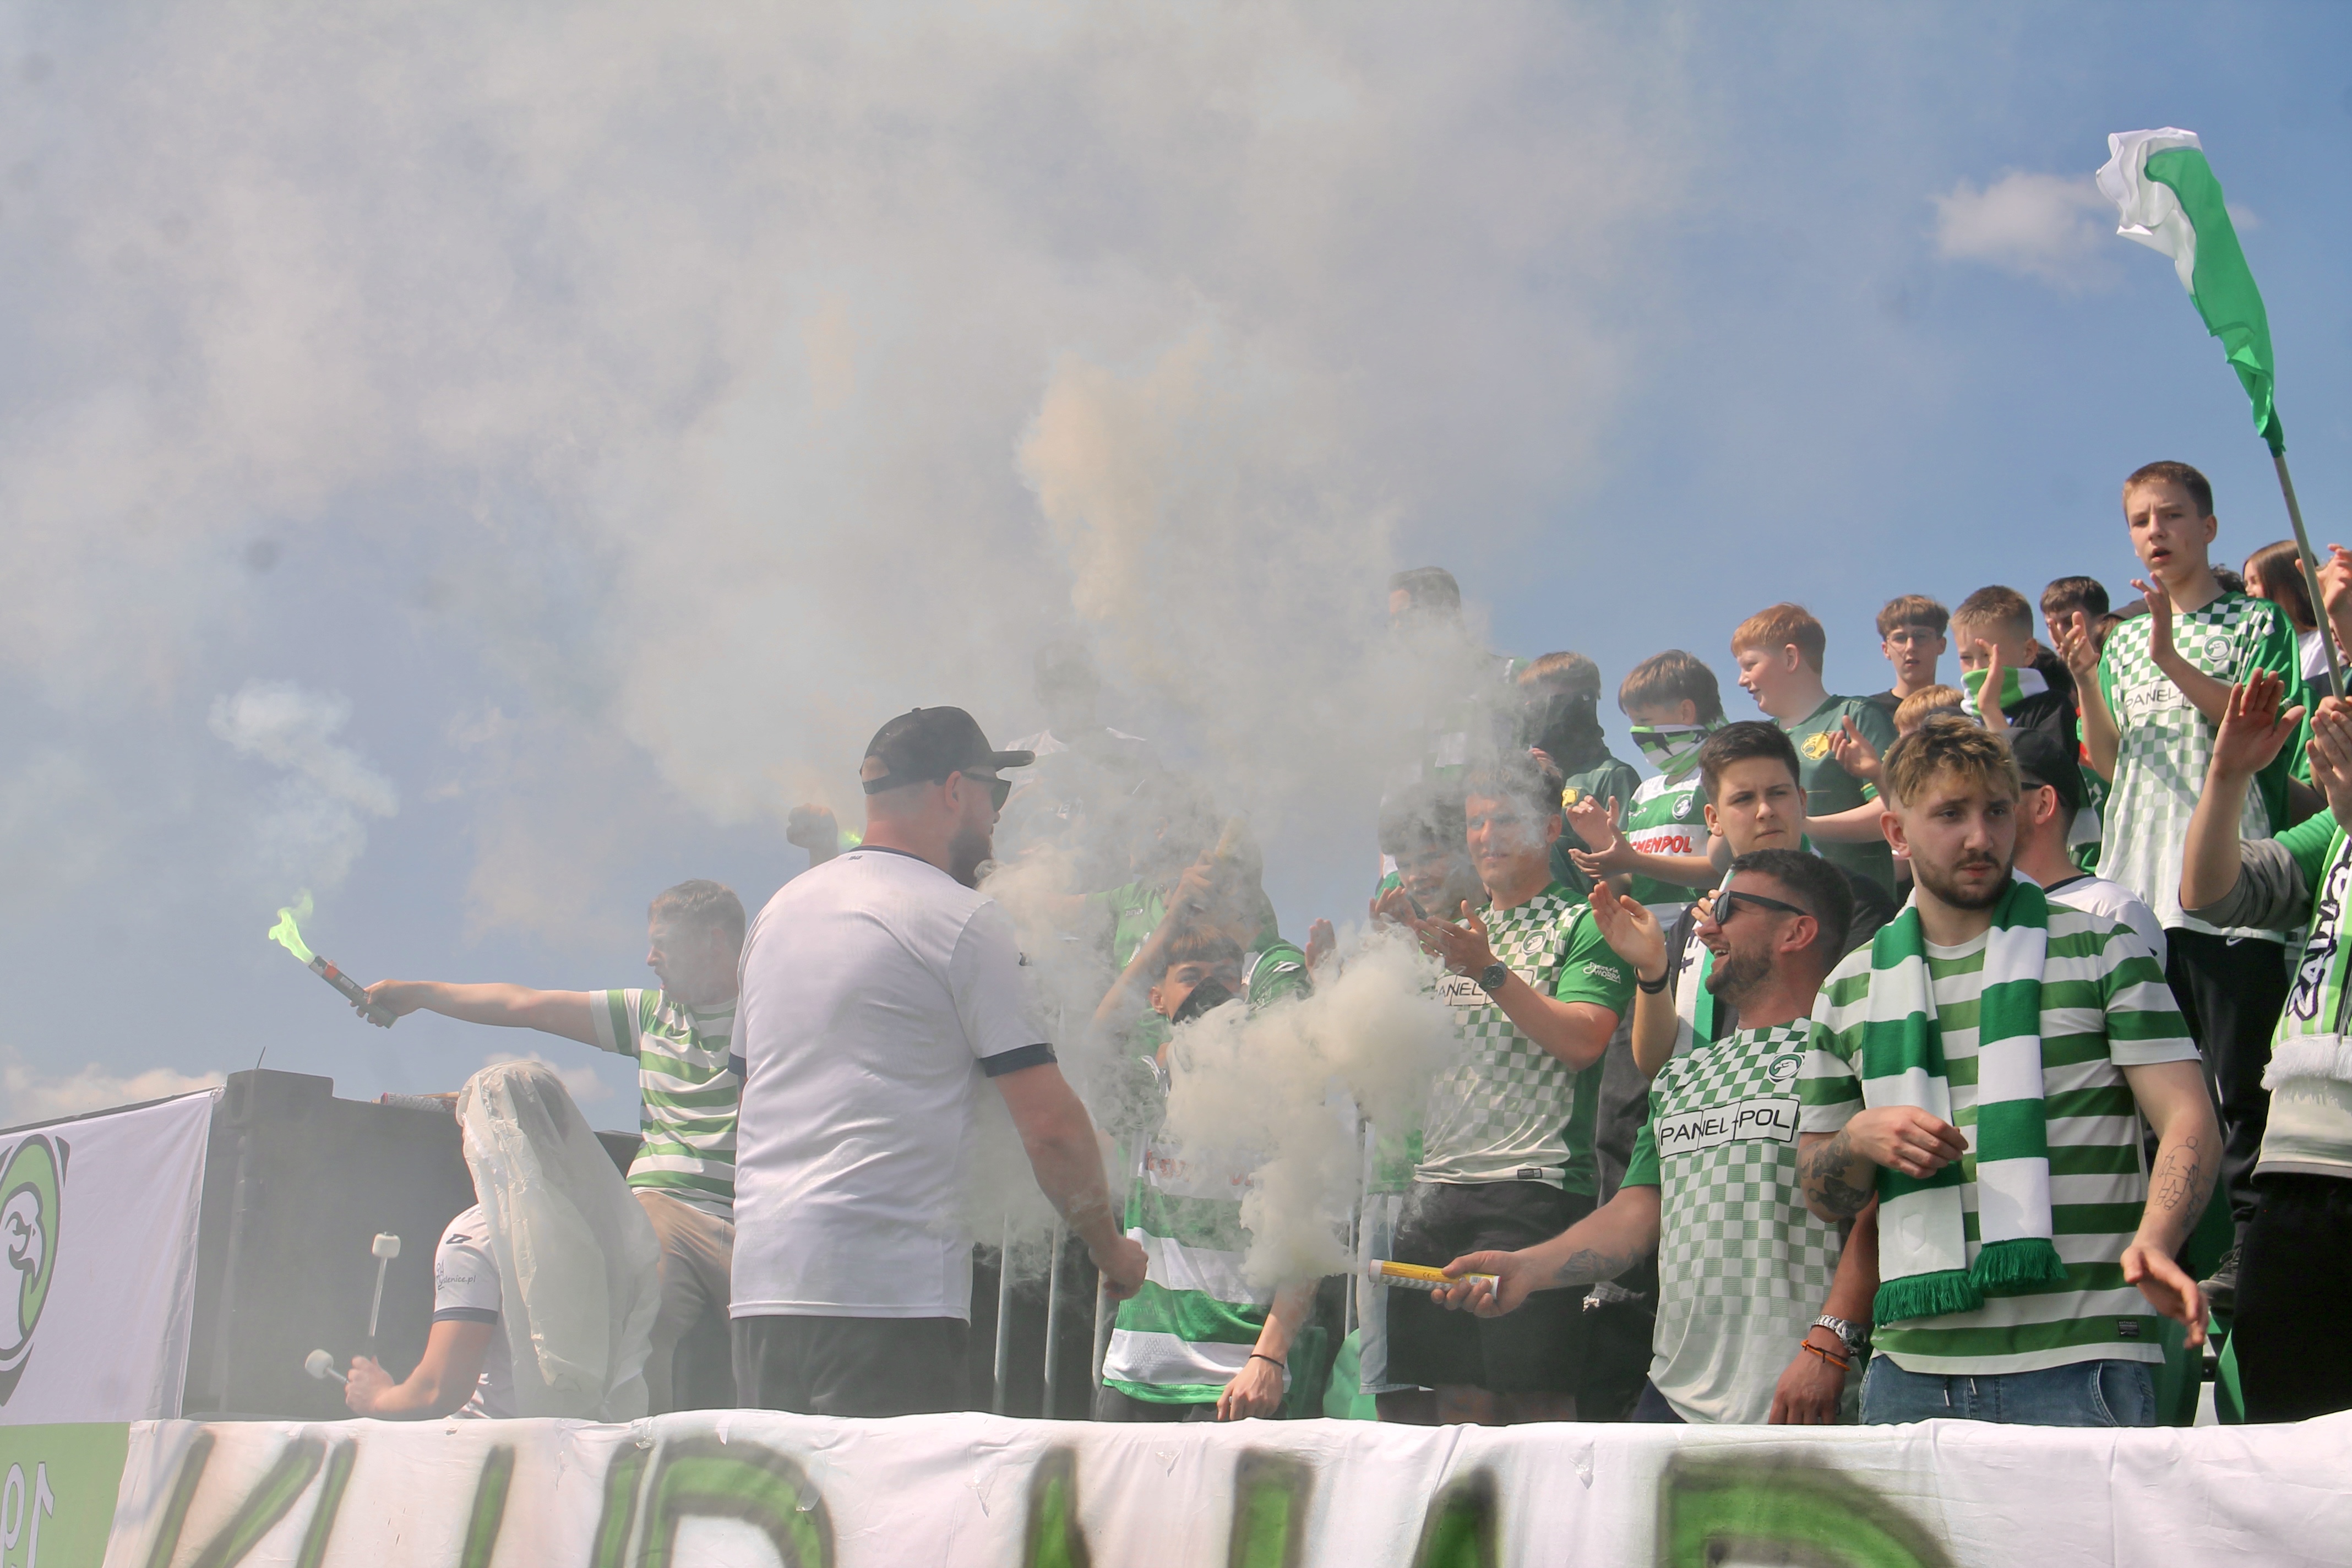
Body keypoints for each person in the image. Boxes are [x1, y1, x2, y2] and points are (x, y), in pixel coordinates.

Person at [1795, 717, 2218, 1427]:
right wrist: (1859, 1139)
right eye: (1950, 814)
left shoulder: (2104, 947)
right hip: (1911, 1373)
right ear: (1896, 832)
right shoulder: (1846, 988)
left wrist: (2158, 1236)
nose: (1980, 837)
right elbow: (1821, 1189)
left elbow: (2188, 1116)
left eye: (1996, 811)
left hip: (2084, 1363)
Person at [728, 707, 1147, 1418]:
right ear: (955, 790)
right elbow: (1049, 1129)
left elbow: (749, 1101)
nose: (997, 817)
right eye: (995, 794)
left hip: (761, 1293)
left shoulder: (777, 914)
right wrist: (1111, 1251)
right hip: (891, 1302)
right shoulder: (965, 920)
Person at [1436, 848, 1875, 1425]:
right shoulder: (1681, 1074)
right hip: (1672, 1398)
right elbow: (1636, 1215)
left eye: (1727, 909)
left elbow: (1878, 1214)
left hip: (1802, 1396)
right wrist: (1527, 1270)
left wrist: (1828, 1346)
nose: (1706, 927)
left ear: (1798, 931)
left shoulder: (1845, 1050)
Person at [2060, 461, 2310, 1302]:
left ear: (2209, 527)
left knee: (2241, 1083)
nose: (2155, 532)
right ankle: (2149, 1250)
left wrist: (2169, 653)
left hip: (2228, 886)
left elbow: (2257, 732)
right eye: (2140, 520)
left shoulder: (2256, 620)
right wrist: (2087, 677)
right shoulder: (2127, 639)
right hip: (2136, 892)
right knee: (2146, 1086)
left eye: (2171, 515)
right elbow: (2107, 762)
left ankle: (2252, 1247)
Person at [361, 880, 746, 1414]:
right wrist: (421, 994)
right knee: (639, 1323)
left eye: (662, 943)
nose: (649, 958)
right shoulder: (648, 1014)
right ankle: (635, 1444)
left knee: (783, 1331)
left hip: (752, 1207)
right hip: (665, 1200)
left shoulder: (771, 1014)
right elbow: (526, 1004)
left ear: (713, 941)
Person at [1381, 752, 1634, 1424]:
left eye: (1505, 820)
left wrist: (1490, 971)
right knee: (1454, 1400)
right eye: (1476, 823)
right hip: (1435, 1187)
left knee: (1535, 1401)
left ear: (1550, 828)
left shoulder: (1583, 922)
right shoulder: (1448, 935)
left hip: (1533, 1185)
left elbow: (1583, 1041)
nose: (1487, 837)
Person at [2179, 664, 2352, 1418]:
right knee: (2287, 1438)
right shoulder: (2334, 827)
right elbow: (2212, 893)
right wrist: (2227, 775)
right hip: (2293, 1173)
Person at [345, 1060, 662, 1420]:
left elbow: (439, 1390)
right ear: (564, 1127)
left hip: (496, 1446)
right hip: (595, 1440)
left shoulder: (475, 1235)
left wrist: (377, 1397)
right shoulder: (615, 1227)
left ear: (481, 1135)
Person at [1095, 928, 1322, 1422]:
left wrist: (1268, 1359)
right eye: (1191, 977)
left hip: (1239, 1381)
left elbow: (1306, 1245)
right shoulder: (1149, 1086)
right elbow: (1092, 1048)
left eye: (1224, 976)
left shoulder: (1277, 1095)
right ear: (1157, 998)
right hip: (1139, 1374)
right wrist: (1168, 929)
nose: (1210, 990)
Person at [1589, 723, 1896, 1076]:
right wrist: (1652, 970)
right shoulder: (1696, 923)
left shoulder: (1855, 903)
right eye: (1743, 799)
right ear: (1713, 819)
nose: (1765, 810)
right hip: (1698, 1106)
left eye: (1778, 793)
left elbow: (1860, 1033)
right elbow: (1654, 1064)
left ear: (1802, 801)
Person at [1353, 783, 1480, 1422]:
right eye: (1406, 861)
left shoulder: (1497, 937)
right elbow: (1363, 1082)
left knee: (1464, 1391)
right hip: (1391, 1180)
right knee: (1394, 1390)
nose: (1419, 873)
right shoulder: (1389, 944)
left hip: (1466, 1185)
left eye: (1432, 854)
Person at [1731, 603, 1899, 893]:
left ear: (1790, 658)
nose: (1741, 680)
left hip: (1859, 905)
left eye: (1750, 665)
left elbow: (1894, 810)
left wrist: (1802, 826)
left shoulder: (1855, 715)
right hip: (1784, 906)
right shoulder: (1761, 740)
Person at [1000, 639, 1160, 884]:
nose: (1066, 698)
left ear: (1093, 688)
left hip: (1107, 888)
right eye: (1055, 687)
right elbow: (993, 826)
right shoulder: (1018, 753)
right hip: (1035, 888)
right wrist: (1037, 790)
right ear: (1041, 696)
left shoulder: (1135, 751)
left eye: (1075, 685)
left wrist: (1101, 791)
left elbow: (1157, 826)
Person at [2008, 727, 2166, 967]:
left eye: (1996, 794)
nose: (1978, 809)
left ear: (2043, 804)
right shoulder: (1981, 914)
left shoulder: (2113, 910)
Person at [1515, 651, 1642, 901]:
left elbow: (1634, 879)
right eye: (1528, 702)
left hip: (1589, 920)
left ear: (1582, 704)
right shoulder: (1522, 782)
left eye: (1544, 701)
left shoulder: (1612, 776)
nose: (1532, 712)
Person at [1951, 585, 2079, 750]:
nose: (1977, 668)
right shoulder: (1947, 720)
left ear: (2028, 652)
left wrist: (1990, 711)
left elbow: (2039, 766)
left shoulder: (2050, 709)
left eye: (1988, 655)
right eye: (1966, 658)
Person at [2242, 539, 2335, 696]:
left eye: (2255, 582)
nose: (2248, 592)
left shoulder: (2329, 641)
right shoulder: (2262, 652)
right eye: (2246, 584)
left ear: (2289, 583)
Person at [1869, 595, 1949, 719]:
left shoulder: (1960, 710)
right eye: (1900, 638)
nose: (1910, 647)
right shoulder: (1870, 713)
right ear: (1886, 650)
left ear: (1941, 645)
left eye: (1921, 636)